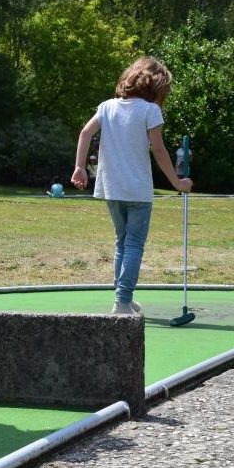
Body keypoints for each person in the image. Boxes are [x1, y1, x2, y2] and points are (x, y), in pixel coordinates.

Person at [71, 56, 192, 315]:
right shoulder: (150, 111)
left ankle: (122, 298)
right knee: (134, 244)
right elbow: (158, 150)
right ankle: (122, 301)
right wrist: (177, 183)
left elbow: (85, 133)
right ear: (157, 88)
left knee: (122, 243)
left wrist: (80, 167)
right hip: (137, 190)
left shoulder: (106, 107)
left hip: (112, 189)